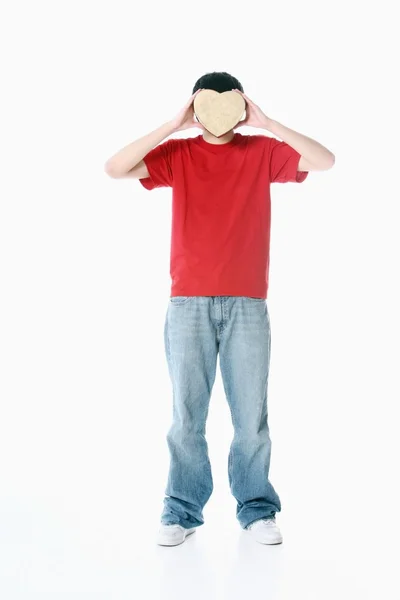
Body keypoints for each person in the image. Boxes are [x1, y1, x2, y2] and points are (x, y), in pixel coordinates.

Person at [104, 71, 335, 546]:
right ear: (196, 106)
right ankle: (181, 511)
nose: (218, 113)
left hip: (248, 303)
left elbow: (324, 160)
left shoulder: (259, 150)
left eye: (228, 103)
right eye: (206, 105)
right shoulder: (180, 154)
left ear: (241, 104)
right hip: (187, 302)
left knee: (251, 416)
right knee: (186, 416)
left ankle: (256, 510)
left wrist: (268, 122)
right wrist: (174, 124)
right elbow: (115, 168)